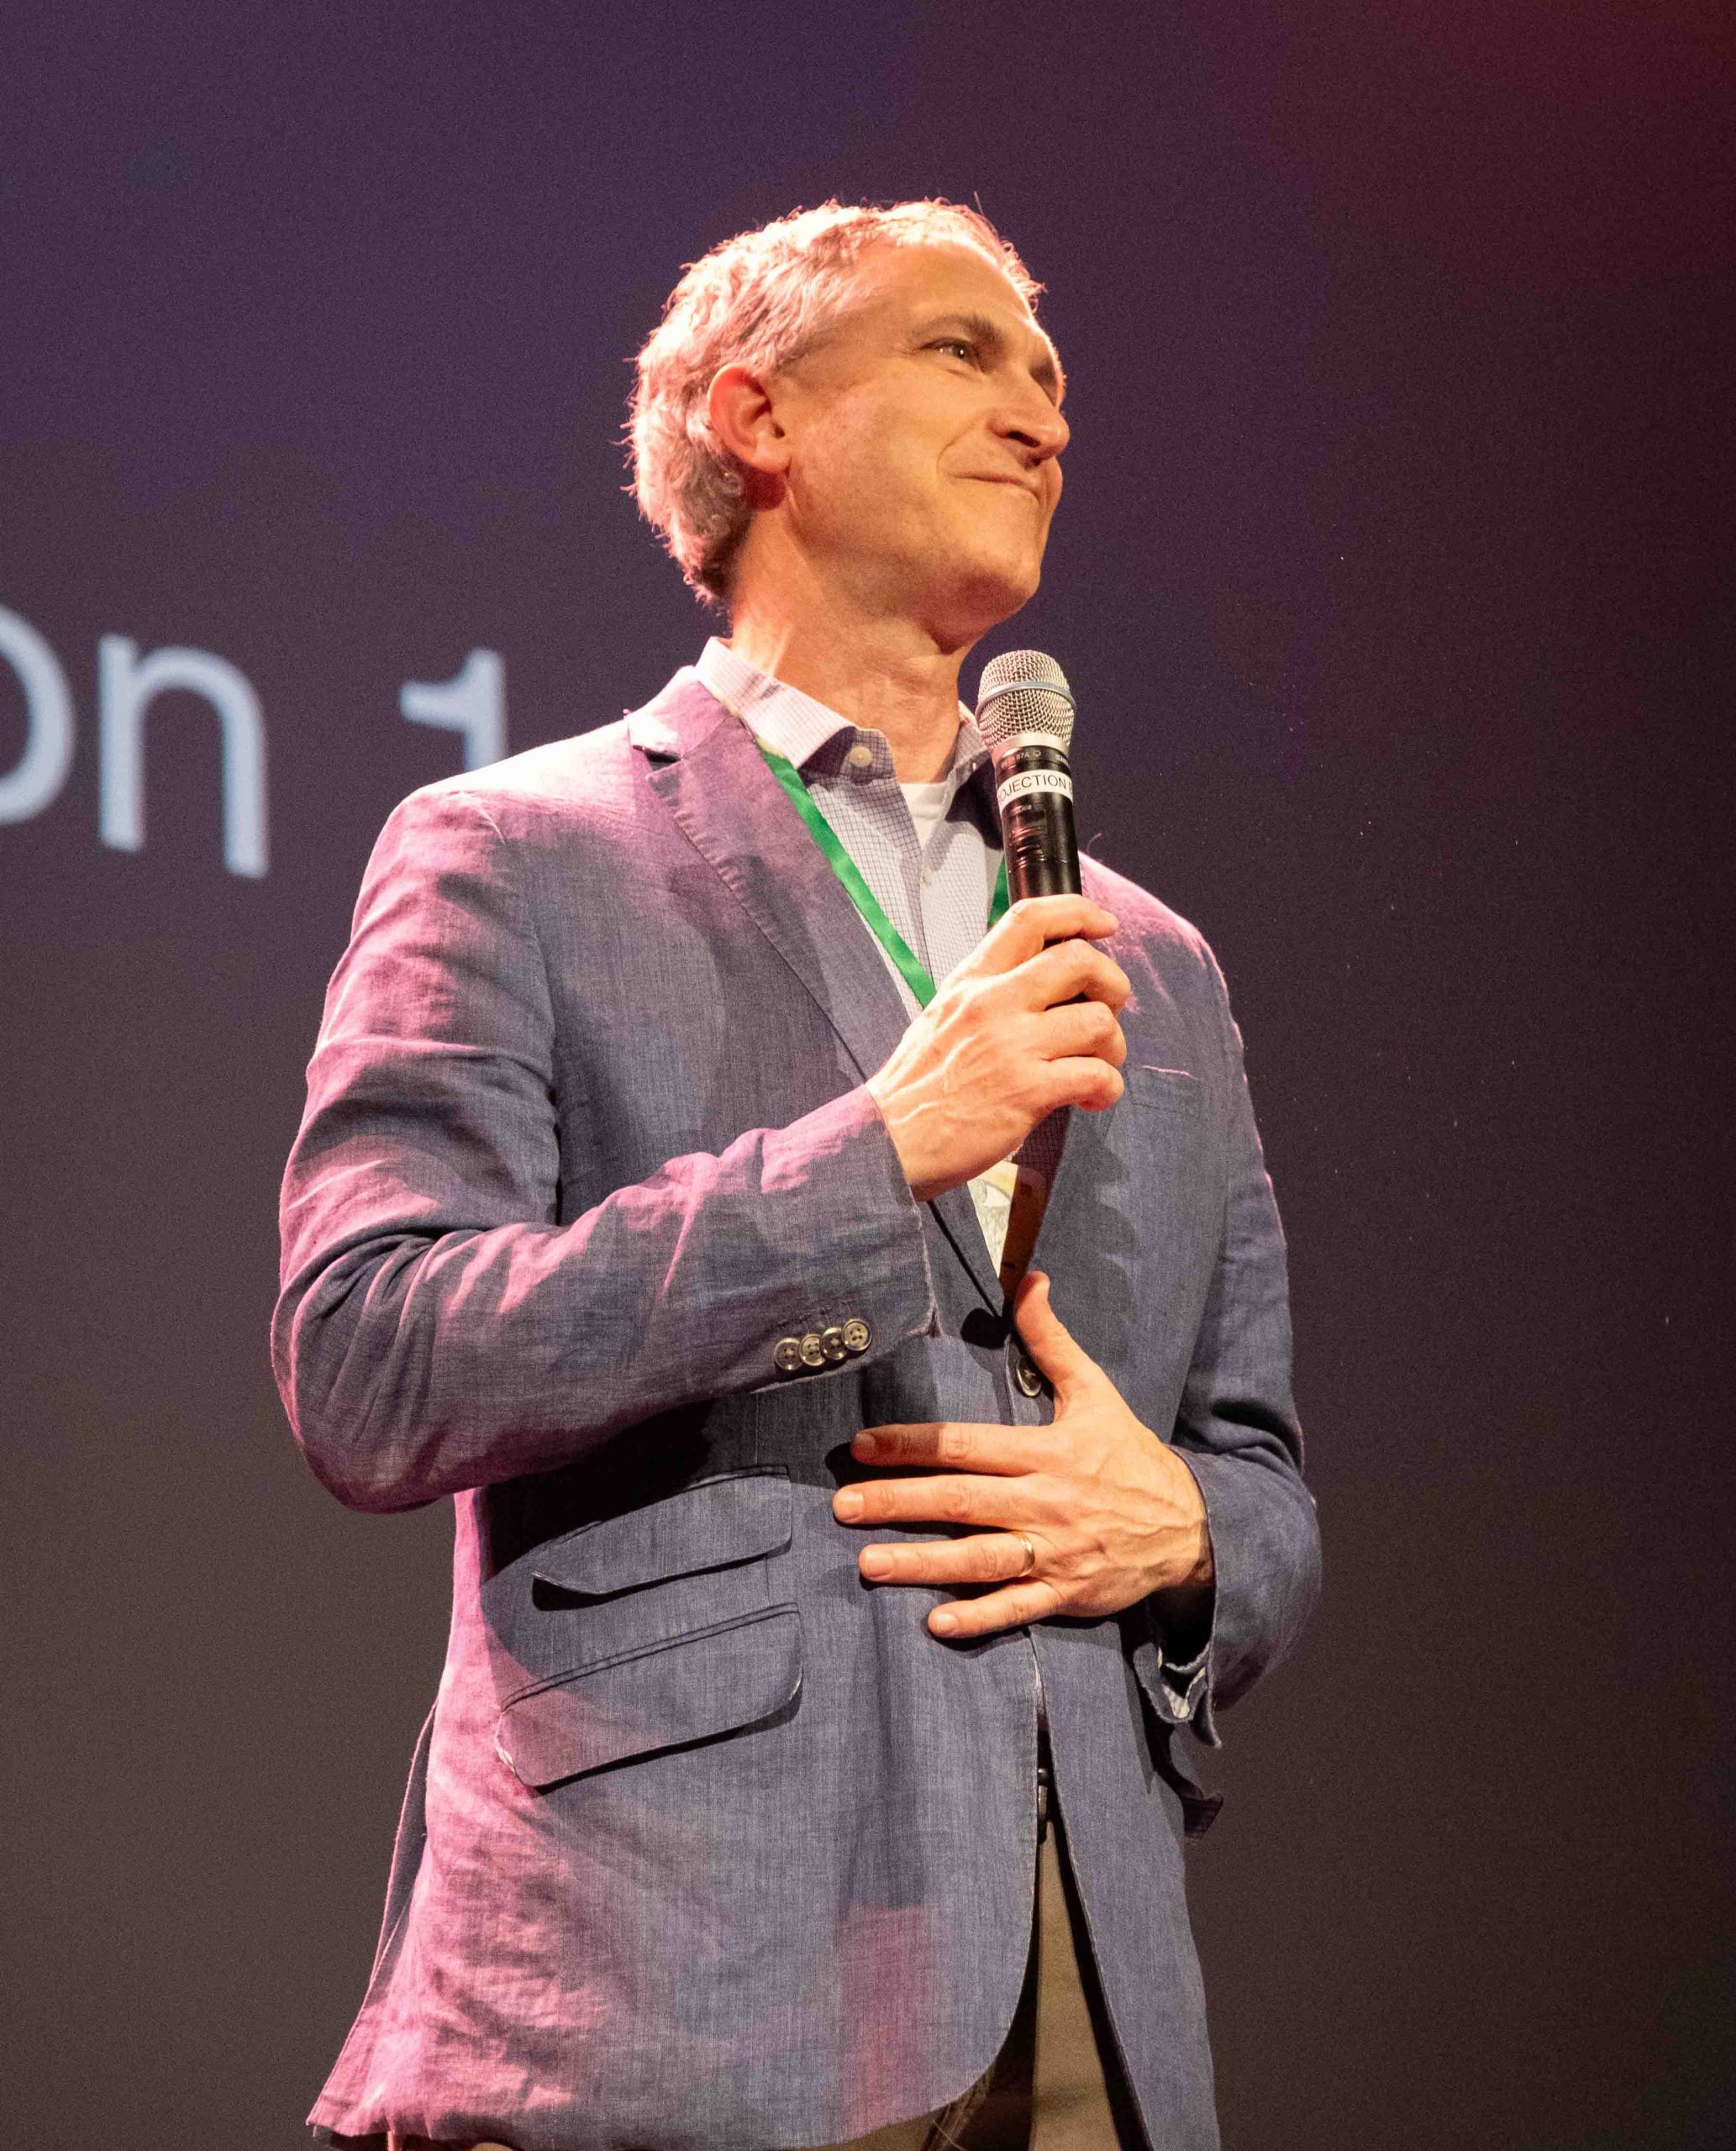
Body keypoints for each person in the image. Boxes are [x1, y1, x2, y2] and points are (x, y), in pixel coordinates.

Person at [274, 199, 1320, 2151]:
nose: (1040, 413)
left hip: (1087, 1996)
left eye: (1053, 379)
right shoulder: (512, 846)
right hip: (672, 1978)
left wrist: (1176, 1530)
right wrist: (871, 1156)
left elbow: (1254, 1477)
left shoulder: (1149, 957)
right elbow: (371, 1355)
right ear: (755, 417)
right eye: (963, 350)